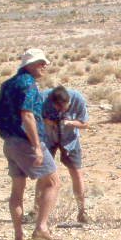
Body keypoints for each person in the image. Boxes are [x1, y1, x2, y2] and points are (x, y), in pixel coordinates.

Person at [0, 48, 60, 240]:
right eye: (40, 62)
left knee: (17, 190)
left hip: (10, 141)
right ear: (29, 65)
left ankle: (18, 237)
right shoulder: (28, 84)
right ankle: (41, 227)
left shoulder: (8, 84)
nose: (44, 66)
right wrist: (37, 146)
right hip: (26, 142)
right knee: (52, 182)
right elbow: (27, 115)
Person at [40, 85, 90, 223]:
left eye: (64, 108)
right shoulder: (42, 98)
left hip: (70, 141)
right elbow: (31, 117)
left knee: (77, 173)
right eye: (58, 108)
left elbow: (85, 123)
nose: (61, 111)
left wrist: (70, 123)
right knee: (44, 175)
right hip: (48, 139)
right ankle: (36, 211)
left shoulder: (77, 99)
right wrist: (46, 121)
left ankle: (82, 211)